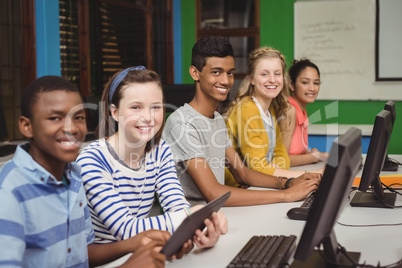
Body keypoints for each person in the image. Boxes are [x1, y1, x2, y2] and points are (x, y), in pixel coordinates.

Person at [0, 75, 170, 268]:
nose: (71, 128)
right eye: (55, 118)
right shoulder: (8, 192)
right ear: (26, 126)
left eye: (78, 117)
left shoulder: (72, 176)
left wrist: (136, 243)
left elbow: (82, 253)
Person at [76, 67, 226, 250]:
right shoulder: (92, 160)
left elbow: (177, 205)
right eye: (135, 107)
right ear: (114, 112)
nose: (147, 117)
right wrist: (192, 215)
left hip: (141, 251)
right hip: (106, 260)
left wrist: (202, 230)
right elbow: (125, 229)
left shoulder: (160, 150)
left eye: (155, 107)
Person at [162, 36, 321, 207]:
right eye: (216, 72)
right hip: (192, 222)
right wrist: (286, 195)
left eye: (229, 73)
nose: (225, 80)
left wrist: (288, 183)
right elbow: (213, 193)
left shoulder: (216, 120)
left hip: (217, 214)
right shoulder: (182, 123)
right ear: (195, 73)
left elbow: (243, 173)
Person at [224, 47, 323, 187]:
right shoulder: (247, 109)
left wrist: (273, 168)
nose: (272, 80)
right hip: (239, 190)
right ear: (252, 79)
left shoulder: (269, 111)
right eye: (264, 74)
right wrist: (311, 174)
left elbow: (282, 155)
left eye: (277, 74)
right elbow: (257, 168)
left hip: (259, 185)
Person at [281, 58, 329, 166]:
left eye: (316, 83)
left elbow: (295, 151)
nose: (312, 88)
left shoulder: (301, 111)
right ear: (292, 85)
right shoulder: (288, 111)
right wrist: (315, 157)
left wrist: (321, 155)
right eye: (305, 82)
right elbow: (283, 159)